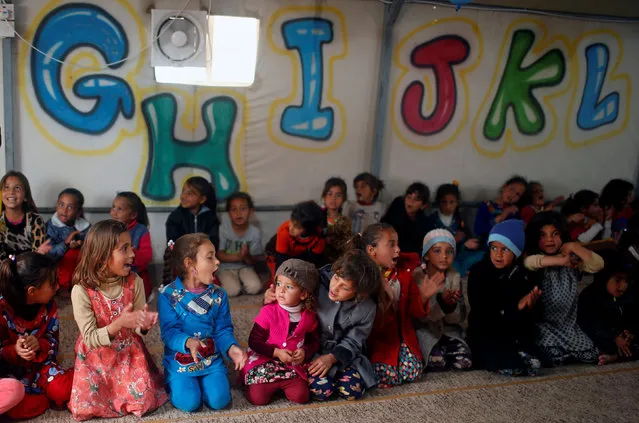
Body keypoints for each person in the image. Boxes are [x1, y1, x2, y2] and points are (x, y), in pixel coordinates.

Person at [68, 220, 167, 420]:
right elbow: (89, 338)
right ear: (102, 256)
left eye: (131, 246)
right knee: (86, 407)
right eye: (124, 249)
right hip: (96, 357)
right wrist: (118, 324)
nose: (132, 253)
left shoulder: (135, 282)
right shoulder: (81, 290)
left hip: (129, 354)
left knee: (144, 401)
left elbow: (138, 326)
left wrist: (143, 326)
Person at [159, 233, 247, 412]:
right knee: (189, 403)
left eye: (215, 256)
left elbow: (223, 330)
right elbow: (169, 332)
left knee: (219, 401)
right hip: (180, 362)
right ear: (189, 264)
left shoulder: (219, 295)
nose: (217, 262)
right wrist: (187, 342)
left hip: (210, 360)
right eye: (210, 257)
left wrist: (232, 348)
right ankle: (172, 378)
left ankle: (206, 383)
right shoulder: (168, 295)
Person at [0, 253, 73, 419]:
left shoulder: (50, 306)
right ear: (32, 291)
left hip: (40, 368)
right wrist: (14, 350)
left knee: (63, 389)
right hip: (8, 373)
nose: (57, 287)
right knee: (14, 398)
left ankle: (37, 398)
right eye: (52, 283)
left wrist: (40, 344)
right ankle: (39, 400)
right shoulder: (2, 310)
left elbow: (53, 341)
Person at [242, 259, 319, 405]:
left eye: (289, 287)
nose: (281, 290)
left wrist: (305, 351)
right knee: (258, 399)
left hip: (291, 365)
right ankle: (254, 385)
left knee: (301, 396)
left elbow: (313, 341)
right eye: (278, 284)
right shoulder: (269, 311)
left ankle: (281, 384)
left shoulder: (309, 316)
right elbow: (254, 341)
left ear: (303, 294)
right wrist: (276, 353)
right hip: (265, 361)